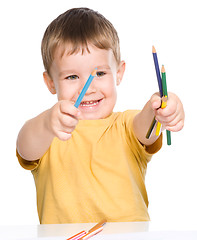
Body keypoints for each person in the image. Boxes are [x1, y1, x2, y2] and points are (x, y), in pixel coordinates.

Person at [16, 7, 184, 224]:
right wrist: (48, 124)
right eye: (72, 76)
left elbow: (146, 127)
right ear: (50, 82)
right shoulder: (49, 130)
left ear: (119, 73)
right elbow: (25, 147)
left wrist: (160, 108)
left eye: (100, 73)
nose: (88, 88)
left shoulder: (126, 126)